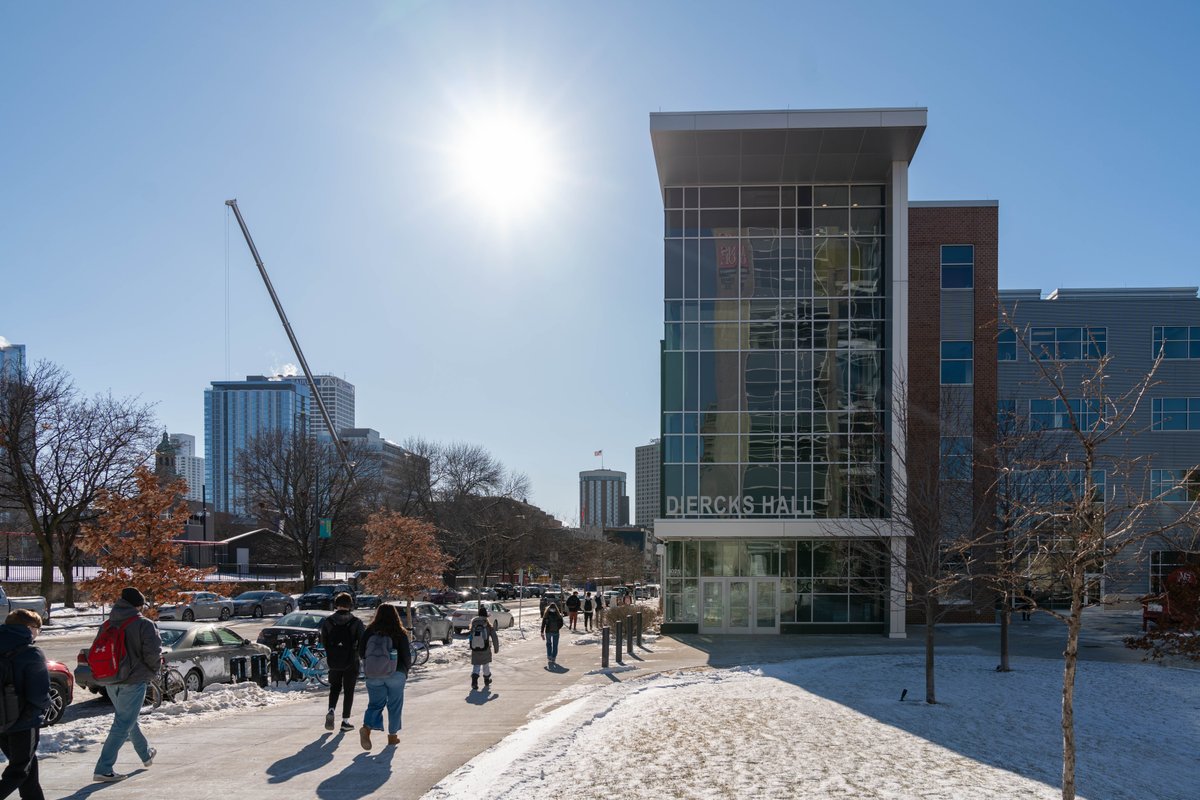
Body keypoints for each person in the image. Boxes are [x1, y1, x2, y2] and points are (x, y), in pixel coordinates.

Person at [93, 587, 161, 783]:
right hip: (133, 680)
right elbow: (152, 654)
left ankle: (146, 754)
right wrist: (154, 670)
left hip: (110, 679)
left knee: (127, 719)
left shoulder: (107, 623)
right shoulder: (144, 624)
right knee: (123, 723)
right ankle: (103, 768)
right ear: (138, 605)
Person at [0, 609, 49, 800]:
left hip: (2, 720)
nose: (38, 632)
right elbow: (39, 694)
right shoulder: (32, 652)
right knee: (19, 771)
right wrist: (46, 705)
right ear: (28, 628)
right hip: (24, 721)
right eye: (38, 628)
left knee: (27, 768)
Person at [356, 603, 411, 750]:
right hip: (396, 673)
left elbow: (361, 652)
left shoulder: (369, 632)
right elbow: (406, 655)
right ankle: (392, 737)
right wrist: (405, 671)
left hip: (373, 674)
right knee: (395, 705)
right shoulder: (399, 631)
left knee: (375, 704)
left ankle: (366, 728)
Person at [319, 592, 365, 733]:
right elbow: (362, 641)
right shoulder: (356, 622)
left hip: (334, 661)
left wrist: (332, 653)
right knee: (349, 691)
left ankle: (331, 710)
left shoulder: (328, 622)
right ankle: (345, 721)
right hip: (351, 660)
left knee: (335, 687)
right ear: (350, 604)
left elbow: (323, 641)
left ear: (336, 604)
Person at [468, 604, 500, 691]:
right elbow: (494, 637)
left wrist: (471, 645)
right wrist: (496, 648)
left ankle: (474, 682)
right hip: (485, 648)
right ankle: (486, 680)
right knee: (485, 665)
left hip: (475, 648)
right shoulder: (487, 625)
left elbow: (470, 636)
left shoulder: (473, 624)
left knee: (476, 665)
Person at [540, 602, 564, 668]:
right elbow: (561, 623)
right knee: (555, 645)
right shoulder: (558, 615)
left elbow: (543, 624)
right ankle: (553, 657)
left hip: (548, 631)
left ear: (549, 608)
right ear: (556, 608)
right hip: (556, 632)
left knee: (548, 644)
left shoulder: (546, 614)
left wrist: (542, 632)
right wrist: (557, 628)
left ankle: (549, 656)